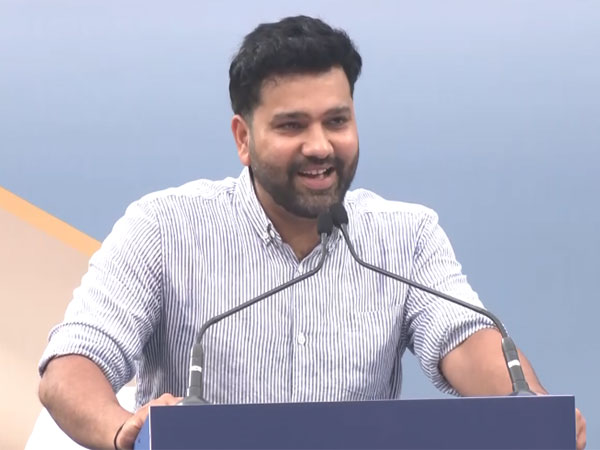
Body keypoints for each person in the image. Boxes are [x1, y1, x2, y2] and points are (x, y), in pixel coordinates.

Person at [38, 15, 586, 450]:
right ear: (243, 138)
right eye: (292, 125)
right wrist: (122, 429)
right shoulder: (163, 227)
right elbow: (72, 365)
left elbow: (465, 341)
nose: (320, 146)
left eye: (337, 121)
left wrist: (531, 414)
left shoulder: (406, 235)